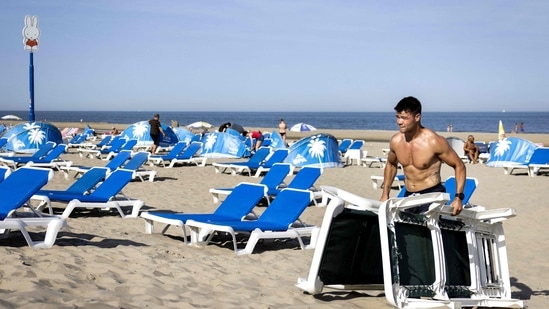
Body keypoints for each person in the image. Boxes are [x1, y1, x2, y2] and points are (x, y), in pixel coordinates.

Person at [380, 96, 466, 216]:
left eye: (404, 118)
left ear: (417, 117)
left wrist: (458, 197)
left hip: (431, 196)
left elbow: (459, 165)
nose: (399, 122)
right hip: (408, 195)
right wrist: (385, 193)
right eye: (398, 117)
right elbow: (391, 164)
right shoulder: (396, 141)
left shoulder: (433, 141)